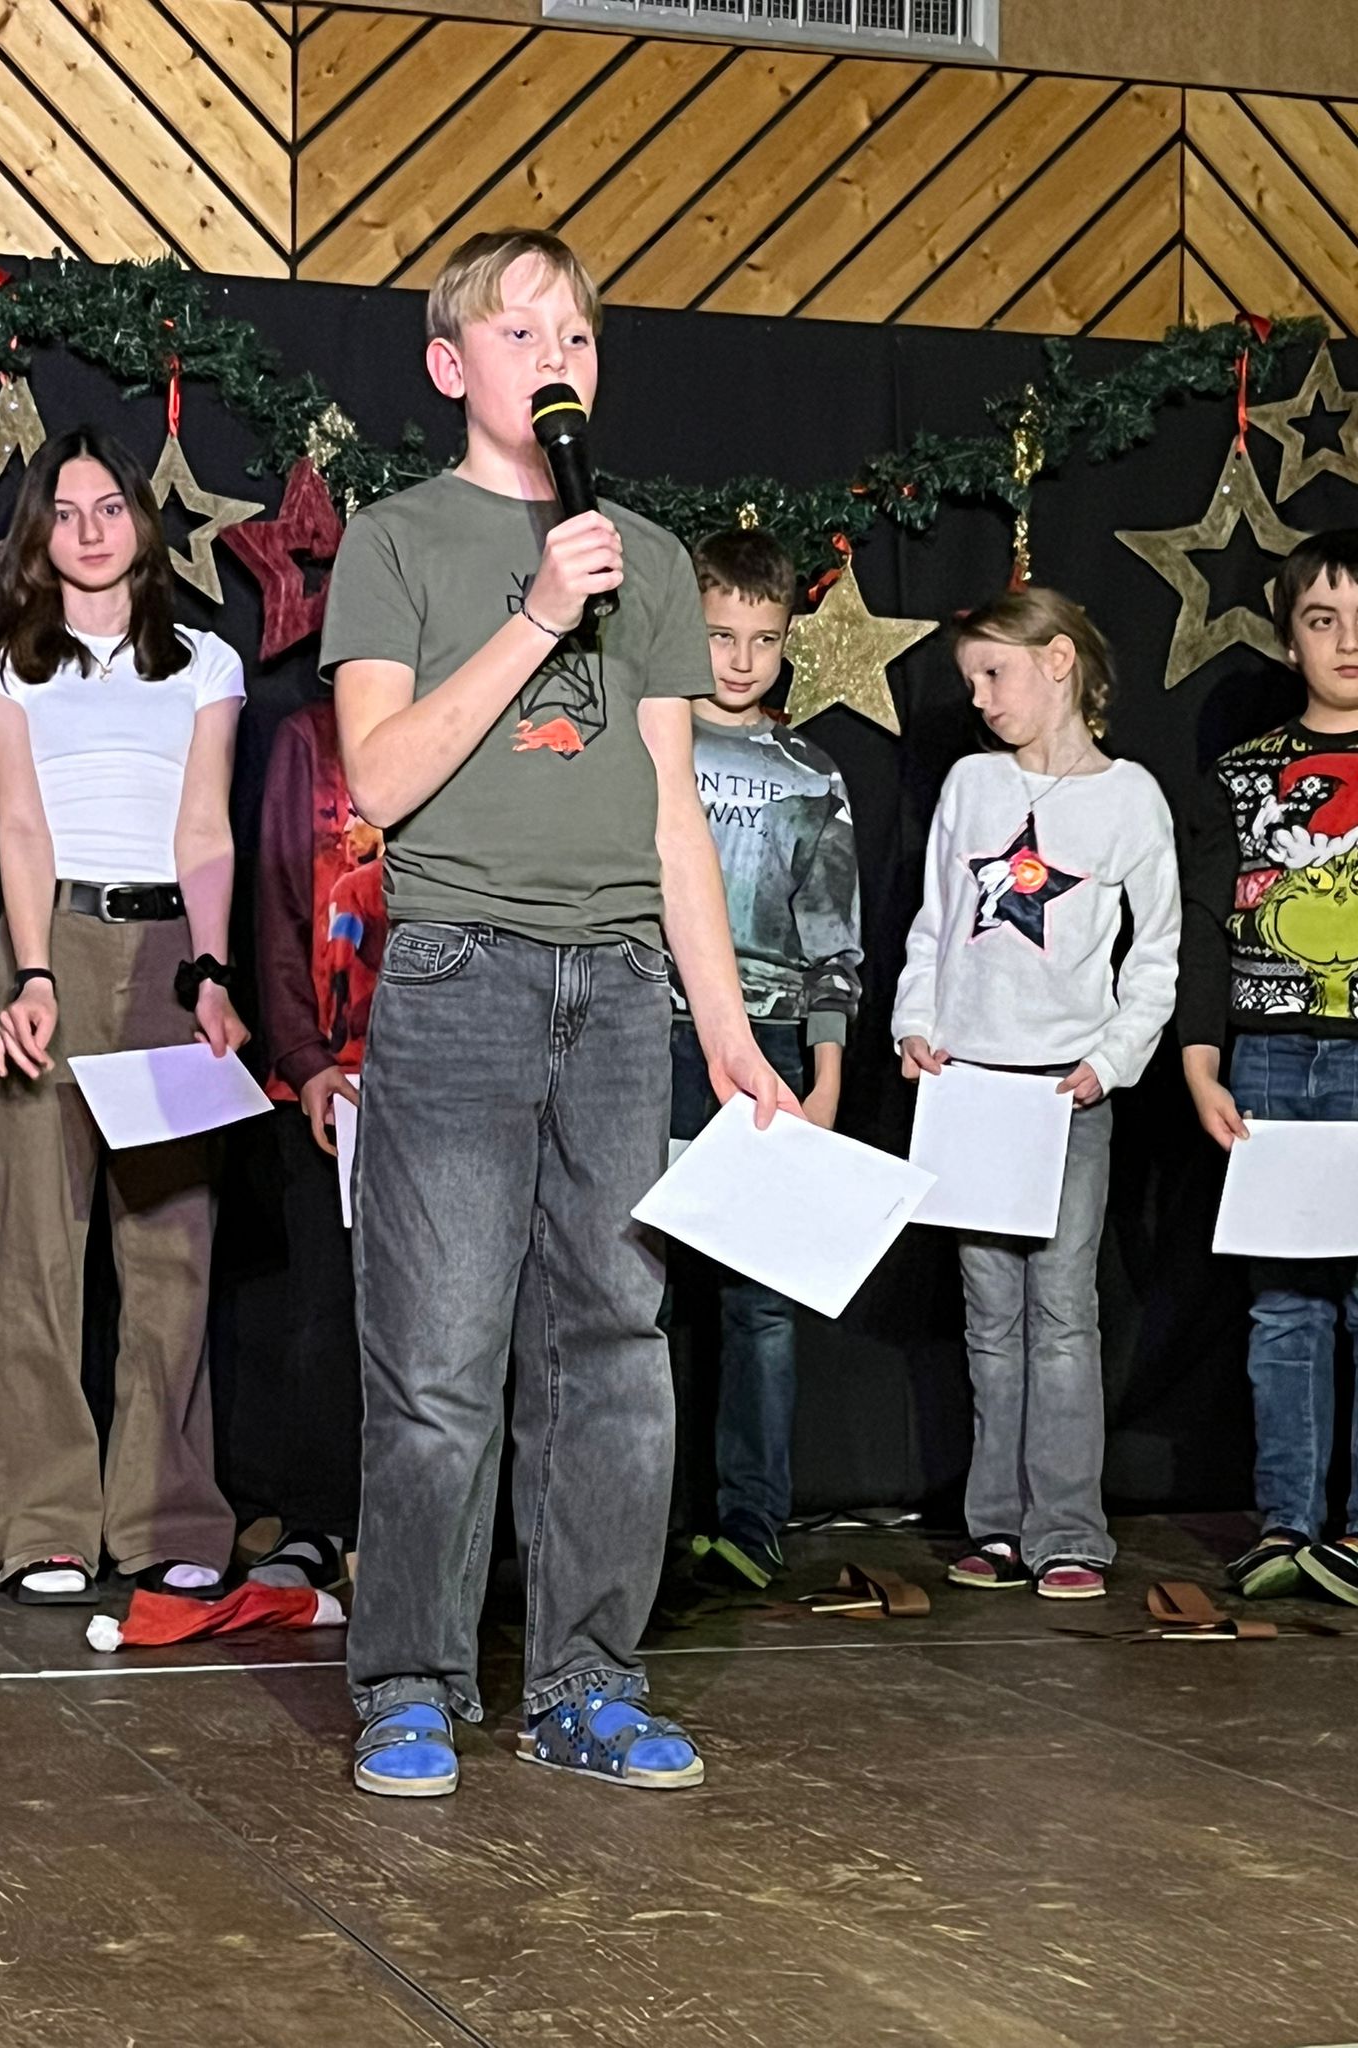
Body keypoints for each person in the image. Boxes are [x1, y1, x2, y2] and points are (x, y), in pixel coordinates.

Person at [321, 227, 795, 1798]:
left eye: (577, 336)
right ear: (451, 365)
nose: (555, 359)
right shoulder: (397, 540)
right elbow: (380, 780)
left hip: (620, 989)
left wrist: (724, 1027)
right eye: (520, 334)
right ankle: (411, 1681)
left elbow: (671, 809)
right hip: (460, 975)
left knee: (613, 1348)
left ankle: (588, 1680)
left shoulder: (644, 555)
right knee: (440, 1359)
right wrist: (532, 614)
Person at [0, 426, 248, 1606]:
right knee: (35, 1246)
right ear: (40, 535)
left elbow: (206, 827)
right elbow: (20, 823)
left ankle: (166, 1516)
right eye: (66, 511)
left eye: (109, 507)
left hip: (169, 952)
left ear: (141, 520)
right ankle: (44, 1524)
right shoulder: (2, 664)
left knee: (171, 1245)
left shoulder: (206, 663)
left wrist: (214, 972)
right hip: (52, 948)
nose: (89, 529)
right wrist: (33, 975)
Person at [892, 588, 1179, 1600]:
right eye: (970, 679)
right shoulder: (972, 783)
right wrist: (915, 1020)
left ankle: (1068, 1531)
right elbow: (935, 919)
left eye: (994, 673)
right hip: (970, 1087)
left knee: (1060, 1315)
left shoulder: (1130, 798)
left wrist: (1114, 1058)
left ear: (1059, 661)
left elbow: (1156, 953)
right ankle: (999, 1525)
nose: (979, 698)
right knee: (989, 1317)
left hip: (1065, 1095)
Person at [668, 527, 861, 1590]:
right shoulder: (648, 748)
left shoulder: (812, 774)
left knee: (760, 1302)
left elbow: (834, 942)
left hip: (775, 1048)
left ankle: (752, 1522)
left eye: (764, 640)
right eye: (719, 635)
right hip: (653, 1038)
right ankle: (640, 1519)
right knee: (638, 1294)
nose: (741, 661)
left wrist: (826, 1078)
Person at [1179, 530, 1358, 1605]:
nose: (1348, 642)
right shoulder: (1244, 776)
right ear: (1290, 639)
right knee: (1286, 1303)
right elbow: (1206, 929)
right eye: (1323, 620)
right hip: (1275, 1062)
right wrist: (1203, 1064)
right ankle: (1288, 1521)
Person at [252, 699, 387, 1586]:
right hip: (330, 1079)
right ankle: (315, 1523)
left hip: (448, 1074)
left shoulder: (475, 716)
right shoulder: (311, 740)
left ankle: (422, 1533)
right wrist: (303, 1058)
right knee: (322, 1312)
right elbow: (277, 905)